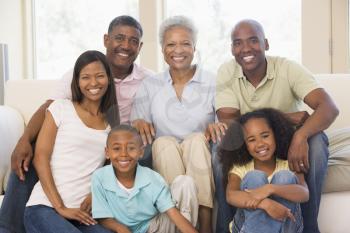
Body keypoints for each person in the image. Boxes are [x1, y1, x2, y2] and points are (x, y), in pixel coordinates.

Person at [0, 15, 153, 233]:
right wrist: (24, 139)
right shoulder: (68, 96)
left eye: (133, 41)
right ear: (106, 39)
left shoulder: (148, 81)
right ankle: (8, 228)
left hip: (113, 149)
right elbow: (48, 107)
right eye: (120, 38)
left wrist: (141, 121)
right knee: (29, 154)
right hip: (60, 174)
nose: (126, 45)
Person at [215, 19, 339, 233]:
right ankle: (226, 228)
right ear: (232, 49)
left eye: (253, 41)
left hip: (289, 139)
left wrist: (300, 137)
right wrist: (284, 117)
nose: (245, 48)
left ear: (266, 44)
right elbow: (231, 125)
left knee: (317, 144)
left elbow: (329, 108)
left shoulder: (287, 68)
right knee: (218, 152)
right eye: (238, 43)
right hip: (249, 139)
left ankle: (308, 228)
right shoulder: (227, 72)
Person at [130, 16, 225, 233]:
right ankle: (180, 225)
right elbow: (137, 127)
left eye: (185, 43)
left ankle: (205, 226)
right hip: (165, 152)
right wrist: (138, 123)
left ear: (194, 47)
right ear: (163, 50)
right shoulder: (150, 85)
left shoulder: (212, 81)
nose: (178, 50)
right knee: (163, 143)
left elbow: (224, 122)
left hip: (202, 151)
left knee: (196, 140)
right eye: (171, 44)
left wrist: (215, 126)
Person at [23, 50, 119, 233]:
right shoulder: (60, 108)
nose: (93, 83)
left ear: (108, 78)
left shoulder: (111, 124)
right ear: (76, 81)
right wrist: (60, 207)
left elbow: (108, 169)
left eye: (100, 76)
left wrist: (93, 195)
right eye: (85, 77)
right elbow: (40, 157)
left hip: (83, 215)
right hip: (45, 208)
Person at [91, 125, 199, 233]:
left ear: (141, 152)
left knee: (186, 182)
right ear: (107, 152)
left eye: (131, 148)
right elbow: (103, 217)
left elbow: (173, 213)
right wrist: (121, 229)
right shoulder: (99, 178)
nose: (123, 154)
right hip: (120, 230)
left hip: (153, 227)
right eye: (116, 149)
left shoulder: (153, 178)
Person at [220, 108, 309, 233]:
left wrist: (270, 189)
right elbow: (231, 195)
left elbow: (304, 193)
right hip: (247, 227)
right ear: (244, 144)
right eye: (251, 140)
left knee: (284, 177)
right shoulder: (241, 168)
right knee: (254, 177)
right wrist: (265, 203)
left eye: (265, 136)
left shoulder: (288, 164)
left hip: (287, 228)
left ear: (276, 134)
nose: (260, 144)